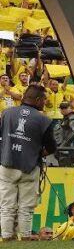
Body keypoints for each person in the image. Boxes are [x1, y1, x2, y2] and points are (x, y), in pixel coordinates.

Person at [0, 85, 56, 241]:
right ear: (37, 100)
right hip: (30, 167)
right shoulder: (44, 120)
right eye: (44, 99)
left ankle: (6, 238)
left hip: (7, 164)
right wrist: (38, 153)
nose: (45, 102)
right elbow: (51, 147)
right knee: (26, 208)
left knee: (6, 206)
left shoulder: (6, 113)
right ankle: (24, 239)